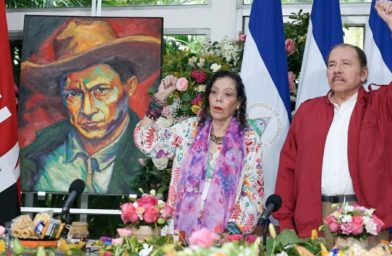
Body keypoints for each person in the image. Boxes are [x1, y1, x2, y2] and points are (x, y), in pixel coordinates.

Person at [274, 0, 392, 242]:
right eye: (331, 65)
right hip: (315, 220)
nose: (337, 70)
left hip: (368, 218)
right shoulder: (308, 111)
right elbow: (288, 168)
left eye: (346, 64)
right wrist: (285, 223)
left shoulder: (379, 105)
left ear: (363, 74)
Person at [20, 18, 161, 194]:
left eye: (101, 90)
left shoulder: (151, 154)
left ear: (130, 86)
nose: (87, 110)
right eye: (73, 94)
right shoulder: (37, 157)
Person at [134, 71, 264, 237]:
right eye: (214, 92)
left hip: (223, 238)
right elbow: (146, 142)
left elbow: (253, 194)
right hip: (179, 233)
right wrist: (159, 98)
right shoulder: (190, 129)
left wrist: (229, 233)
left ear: (238, 103)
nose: (219, 98)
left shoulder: (249, 140)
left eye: (228, 94)